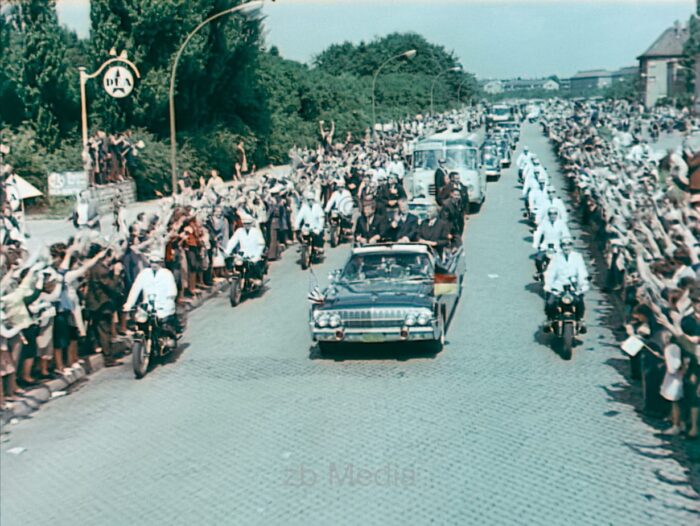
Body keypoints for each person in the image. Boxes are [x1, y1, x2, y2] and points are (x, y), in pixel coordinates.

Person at [123, 250, 179, 342]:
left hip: (163, 306)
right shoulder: (144, 273)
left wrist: (168, 302)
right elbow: (135, 289)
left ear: (160, 262)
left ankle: (168, 338)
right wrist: (129, 303)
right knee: (141, 322)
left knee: (164, 324)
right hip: (147, 307)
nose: (154, 264)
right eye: (152, 262)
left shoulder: (167, 273)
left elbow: (172, 291)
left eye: (156, 262)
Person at [543, 237, 589, 326]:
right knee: (550, 303)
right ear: (561, 247)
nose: (566, 248)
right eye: (564, 245)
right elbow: (550, 272)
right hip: (558, 287)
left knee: (579, 301)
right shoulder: (556, 257)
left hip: (573, 287)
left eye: (569, 245)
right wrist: (548, 284)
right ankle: (550, 319)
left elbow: (582, 271)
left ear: (572, 246)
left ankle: (580, 319)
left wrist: (583, 284)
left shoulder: (577, 257)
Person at [225, 214, 266, 282]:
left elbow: (261, 244)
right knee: (237, 265)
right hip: (243, 254)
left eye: (248, 223)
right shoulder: (239, 231)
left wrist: (257, 254)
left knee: (254, 266)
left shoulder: (256, 231)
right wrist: (227, 251)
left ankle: (254, 279)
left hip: (254, 254)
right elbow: (232, 241)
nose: (246, 225)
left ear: (251, 223)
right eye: (245, 224)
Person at [532, 207, 570, 278]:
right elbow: (538, 233)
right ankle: (540, 272)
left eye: (555, 213)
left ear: (557, 214)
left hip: (558, 246)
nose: (553, 215)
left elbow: (566, 234)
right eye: (550, 214)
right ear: (548, 215)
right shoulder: (544, 223)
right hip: (545, 246)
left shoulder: (561, 224)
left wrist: (566, 241)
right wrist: (536, 244)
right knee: (538, 259)